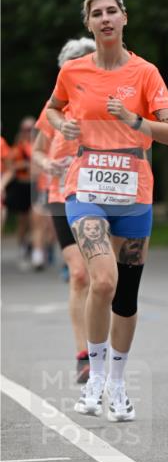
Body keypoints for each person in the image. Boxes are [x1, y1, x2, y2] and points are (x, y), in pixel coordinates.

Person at [46, 0, 168, 420]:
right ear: (89, 23)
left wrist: (135, 119)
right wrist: (63, 125)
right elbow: (52, 108)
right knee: (101, 280)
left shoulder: (146, 73)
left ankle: (118, 383)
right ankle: (96, 377)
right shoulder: (74, 72)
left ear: (124, 18)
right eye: (96, 13)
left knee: (127, 294)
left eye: (111, 11)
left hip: (134, 192)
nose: (105, 19)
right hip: (85, 187)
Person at [33, 37, 96, 382]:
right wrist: (48, 164)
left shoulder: (107, 103)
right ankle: (83, 354)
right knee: (80, 274)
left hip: (98, 194)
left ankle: (105, 348)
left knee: (103, 278)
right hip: (60, 195)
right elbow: (38, 151)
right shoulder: (53, 109)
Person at [4, 117, 36, 268]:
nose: (28, 132)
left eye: (31, 129)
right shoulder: (17, 147)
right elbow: (9, 166)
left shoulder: (39, 144)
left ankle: (36, 248)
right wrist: (22, 164)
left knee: (35, 220)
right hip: (21, 186)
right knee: (22, 222)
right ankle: (23, 248)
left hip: (35, 186)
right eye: (26, 129)